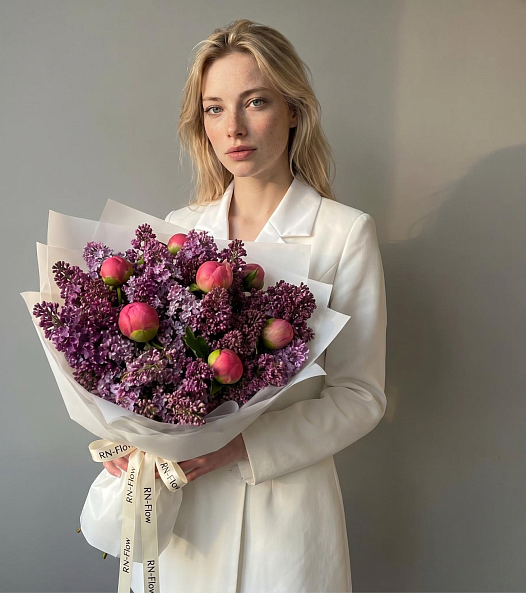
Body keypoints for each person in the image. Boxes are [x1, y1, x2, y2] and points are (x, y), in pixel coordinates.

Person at [103, 19, 387, 593]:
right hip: (181, 513)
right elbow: (144, 369)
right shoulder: (180, 231)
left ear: (293, 110)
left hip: (283, 517)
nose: (233, 126)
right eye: (214, 109)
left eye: (255, 102)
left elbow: (361, 396)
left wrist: (238, 445)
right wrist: (133, 434)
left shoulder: (343, 234)